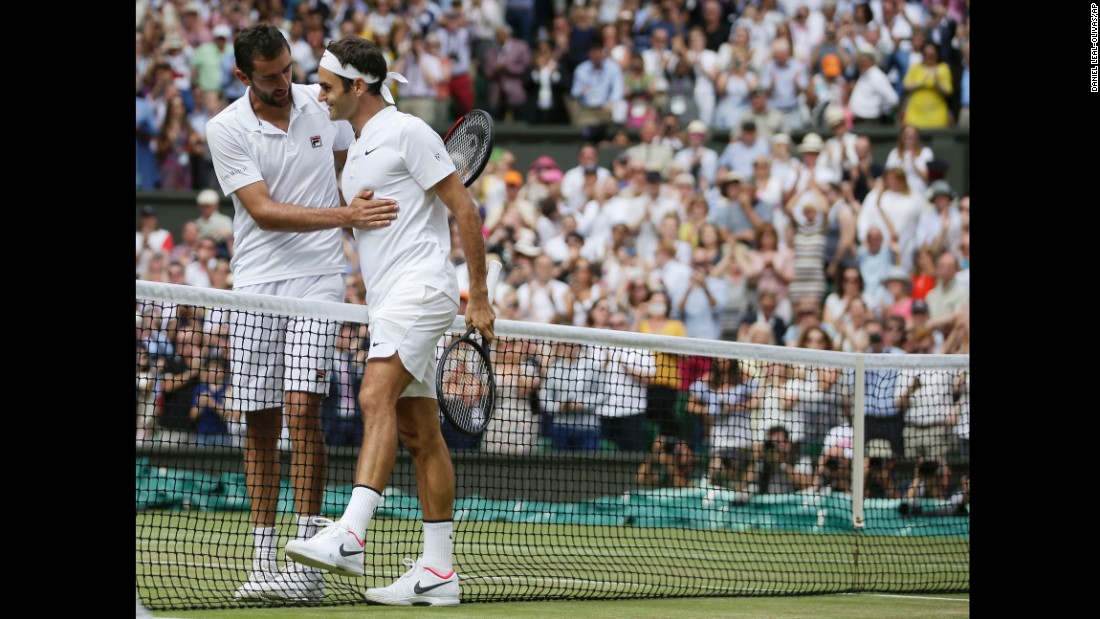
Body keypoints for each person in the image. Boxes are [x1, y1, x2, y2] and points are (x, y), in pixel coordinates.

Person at [283, 36, 495, 608]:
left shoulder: (408, 131)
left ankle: (351, 534)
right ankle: (439, 572)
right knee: (419, 434)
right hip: (388, 301)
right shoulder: (358, 142)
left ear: (358, 86)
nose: (319, 95)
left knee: (373, 395)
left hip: (420, 290)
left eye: (328, 86)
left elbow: (465, 209)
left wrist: (477, 296)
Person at [205, 24, 399, 601]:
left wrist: (371, 186)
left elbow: (366, 134)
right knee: (259, 420)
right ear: (244, 77)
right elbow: (262, 212)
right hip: (258, 284)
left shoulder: (319, 105)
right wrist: (346, 216)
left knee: (302, 407)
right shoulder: (225, 129)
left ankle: (306, 563)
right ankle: (264, 560)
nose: (286, 83)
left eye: (289, 69)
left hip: (319, 279)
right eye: (270, 77)